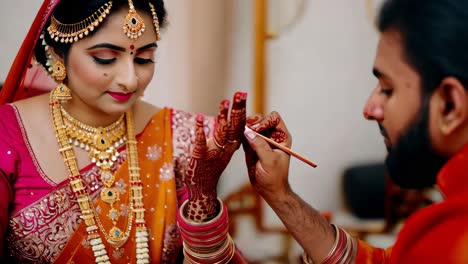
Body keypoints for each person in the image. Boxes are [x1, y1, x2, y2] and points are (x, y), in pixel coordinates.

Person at [0, 0, 249, 263]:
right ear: (57, 54)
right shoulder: (8, 132)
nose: (130, 80)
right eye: (105, 58)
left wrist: (204, 197)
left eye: (144, 58)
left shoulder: (180, 135)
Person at [242, 0, 468, 263]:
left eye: (387, 89)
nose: (369, 109)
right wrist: (279, 194)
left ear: (450, 105)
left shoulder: (449, 237)